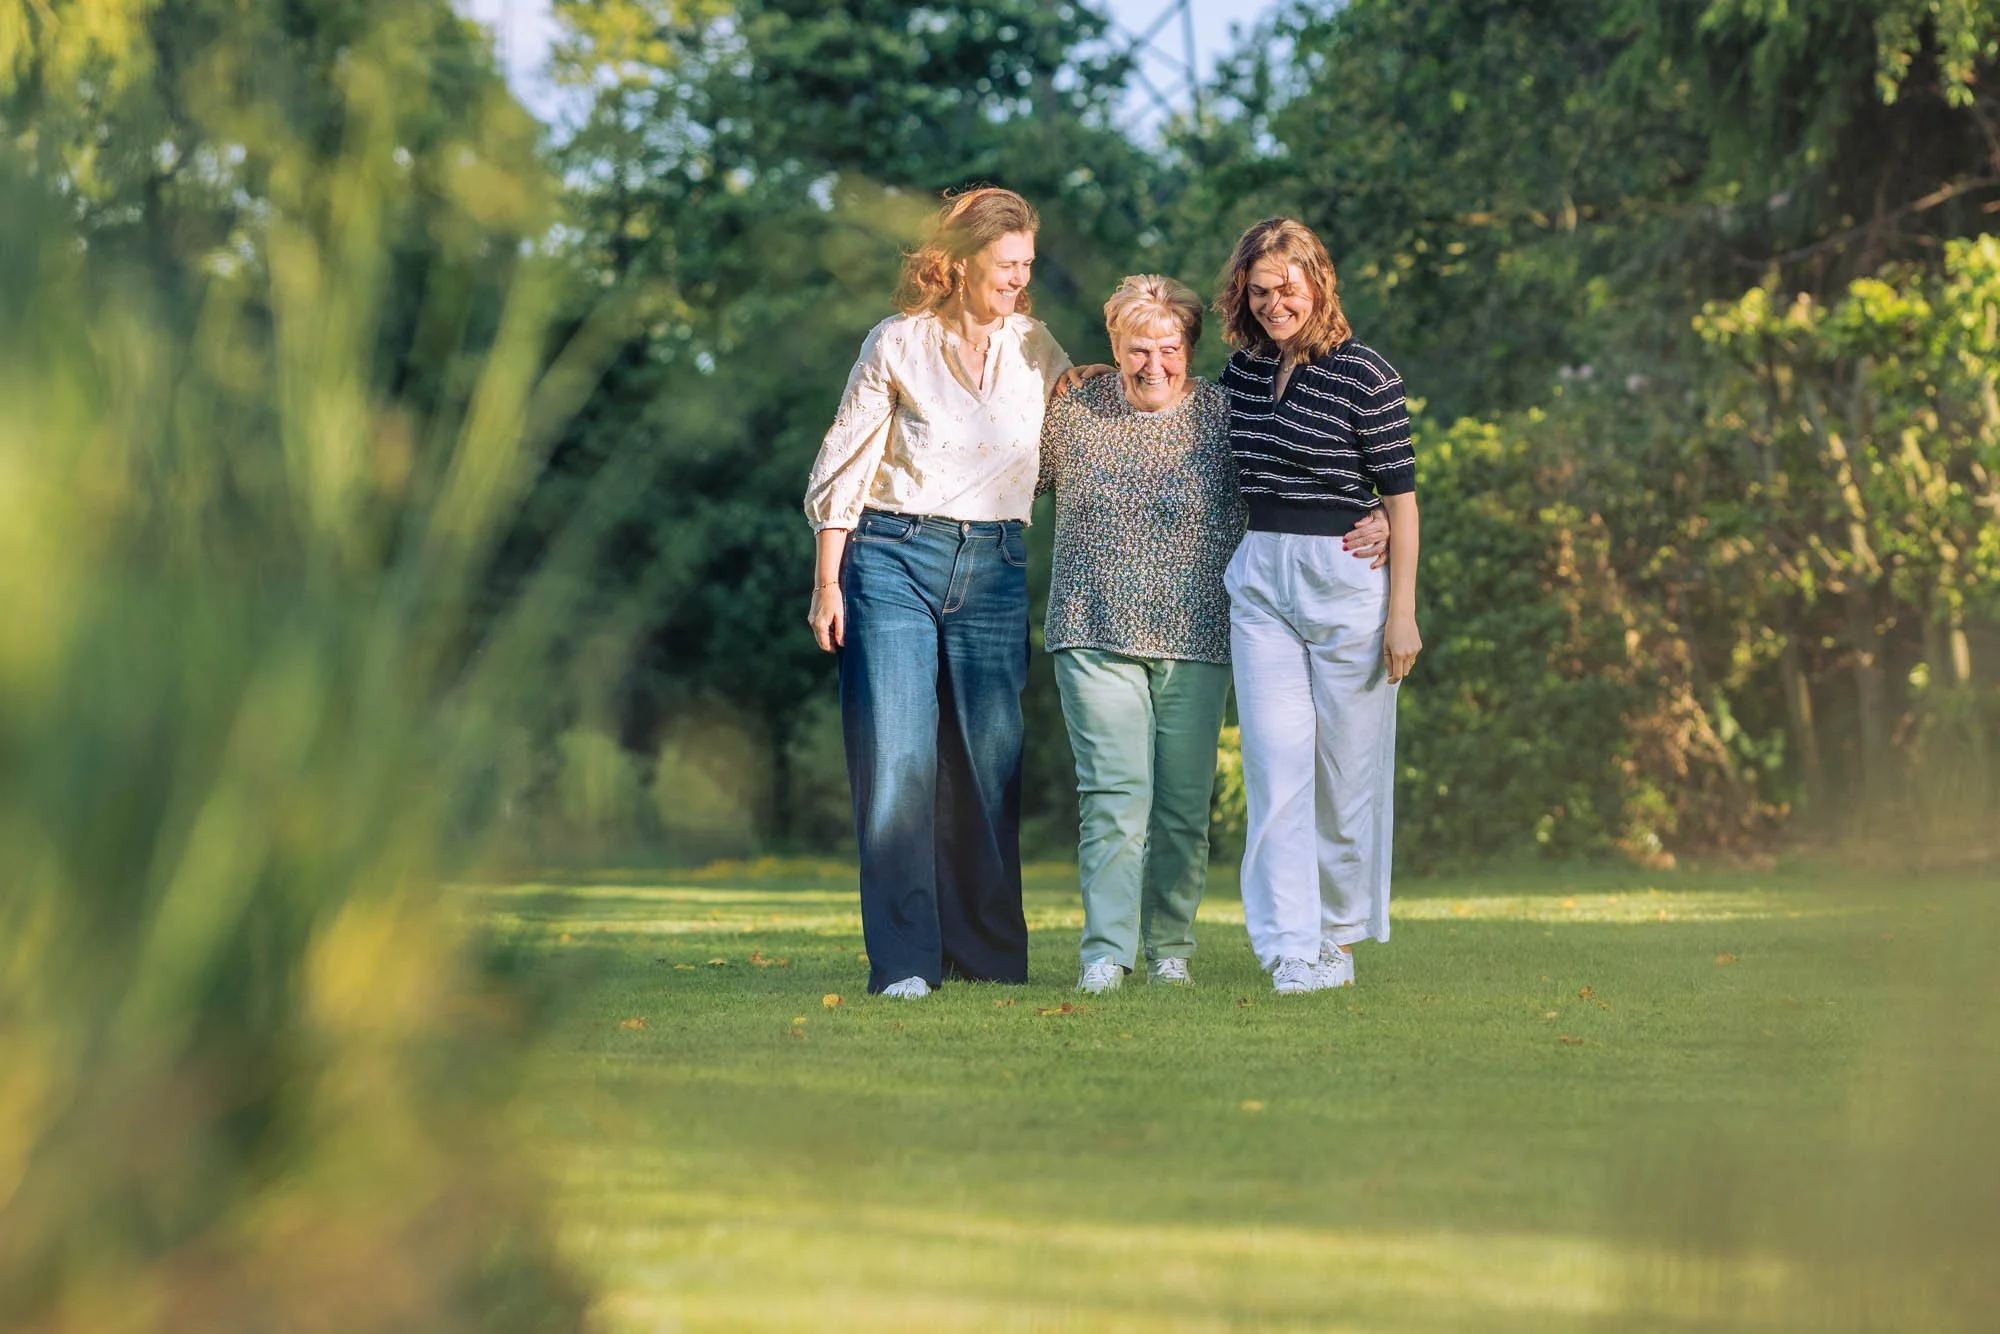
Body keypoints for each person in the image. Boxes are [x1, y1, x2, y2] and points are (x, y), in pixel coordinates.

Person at [1041, 276, 1391, 994]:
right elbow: (999, 475)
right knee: (1116, 797)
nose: (1154, 365)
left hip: (1198, 635)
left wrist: (1378, 513)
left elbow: (1308, 469)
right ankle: (1105, 953)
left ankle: (1171, 946)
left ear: (1191, 350)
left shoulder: (1226, 413)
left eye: (1169, 349)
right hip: (1093, 628)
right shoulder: (1071, 413)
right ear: (1113, 347)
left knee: (1178, 808)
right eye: (1137, 349)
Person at [803, 187, 1073, 998]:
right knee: (898, 760)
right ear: (956, 266)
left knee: (988, 763)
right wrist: (826, 581)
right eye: (1005, 266)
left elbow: (1090, 435)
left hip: (994, 563)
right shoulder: (897, 343)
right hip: (890, 558)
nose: (1018, 283)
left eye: (1026, 268)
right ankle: (906, 962)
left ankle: (986, 956)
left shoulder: (1037, 346)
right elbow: (844, 462)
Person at [1215, 218, 1422, 996]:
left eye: (1287, 288)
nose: (1274, 303)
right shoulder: (1239, 375)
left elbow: (1401, 501)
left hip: (1347, 581)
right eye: (1260, 290)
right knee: (1274, 766)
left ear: (1317, 283)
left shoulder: (1365, 374)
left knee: (1346, 774)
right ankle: (1288, 943)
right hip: (1262, 577)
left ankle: (1337, 937)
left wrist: (1401, 614)